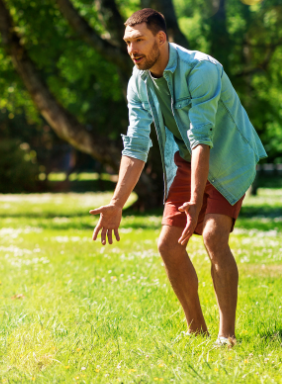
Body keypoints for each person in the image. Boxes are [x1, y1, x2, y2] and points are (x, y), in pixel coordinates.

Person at [89, 9, 267, 346]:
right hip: (188, 158)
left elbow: (203, 137)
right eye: (128, 42)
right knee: (168, 244)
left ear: (161, 38)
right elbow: (137, 144)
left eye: (139, 40)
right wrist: (116, 203)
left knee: (214, 235)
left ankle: (226, 335)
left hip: (228, 156)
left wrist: (197, 200)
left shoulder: (202, 69)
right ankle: (196, 329)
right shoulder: (138, 82)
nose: (132, 49)